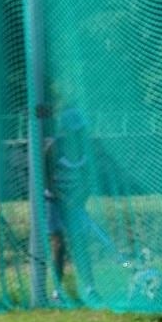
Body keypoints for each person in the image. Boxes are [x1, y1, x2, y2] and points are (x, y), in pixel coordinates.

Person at [44, 106, 98, 302]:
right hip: (54, 202)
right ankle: (57, 291)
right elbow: (46, 178)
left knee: (80, 243)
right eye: (74, 130)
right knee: (59, 245)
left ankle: (90, 288)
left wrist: (77, 200)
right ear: (65, 130)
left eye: (80, 130)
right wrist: (61, 198)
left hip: (75, 202)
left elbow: (89, 180)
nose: (78, 133)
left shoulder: (86, 149)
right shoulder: (53, 148)